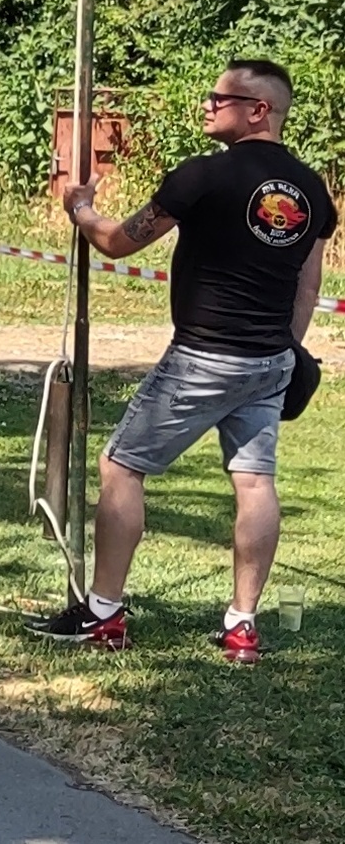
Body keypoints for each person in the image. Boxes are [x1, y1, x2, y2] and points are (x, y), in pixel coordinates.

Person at [29, 60, 337, 664]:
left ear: (259, 111)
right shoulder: (313, 190)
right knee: (255, 482)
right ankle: (242, 626)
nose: (207, 104)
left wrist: (82, 209)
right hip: (271, 359)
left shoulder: (202, 176)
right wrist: (284, 350)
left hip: (204, 355)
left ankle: (103, 615)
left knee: (120, 466)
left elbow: (119, 241)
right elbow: (307, 288)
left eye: (220, 97)